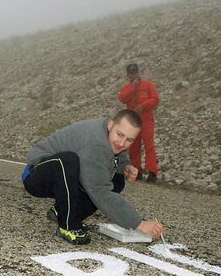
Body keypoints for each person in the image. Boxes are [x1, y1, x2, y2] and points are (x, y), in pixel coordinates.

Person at [21, 109, 164, 245]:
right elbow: (99, 191)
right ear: (110, 125)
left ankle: (60, 210)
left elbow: (114, 155)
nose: (122, 143)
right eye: (119, 134)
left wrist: (124, 166)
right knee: (68, 161)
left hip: (64, 177)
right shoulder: (94, 142)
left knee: (117, 180)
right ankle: (68, 225)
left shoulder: (107, 135)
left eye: (129, 140)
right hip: (36, 174)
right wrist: (139, 224)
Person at [118, 63, 160, 183]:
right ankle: (138, 172)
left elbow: (155, 98)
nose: (134, 75)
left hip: (146, 120)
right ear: (128, 75)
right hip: (133, 122)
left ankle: (152, 172)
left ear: (138, 72)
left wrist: (143, 105)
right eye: (131, 73)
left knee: (149, 146)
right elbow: (122, 98)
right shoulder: (127, 87)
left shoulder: (147, 85)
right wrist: (133, 88)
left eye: (135, 72)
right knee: (133, 147)